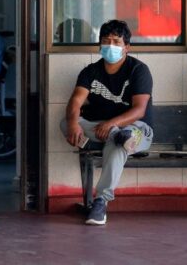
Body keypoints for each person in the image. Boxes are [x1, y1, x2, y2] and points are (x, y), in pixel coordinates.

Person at [61, 20, 154, 225]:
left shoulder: (138, 70)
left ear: (126, 47)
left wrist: (112, 124)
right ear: (99, 45)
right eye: (106, 41)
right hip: (102, 127)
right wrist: (73, 124)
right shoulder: (90, 71)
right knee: (66, 123)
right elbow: (76, 101)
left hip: (136, 128)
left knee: (121, 139)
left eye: (116, 41)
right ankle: (116, 137)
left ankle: (101, 201)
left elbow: (139, 110)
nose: (110, 45)